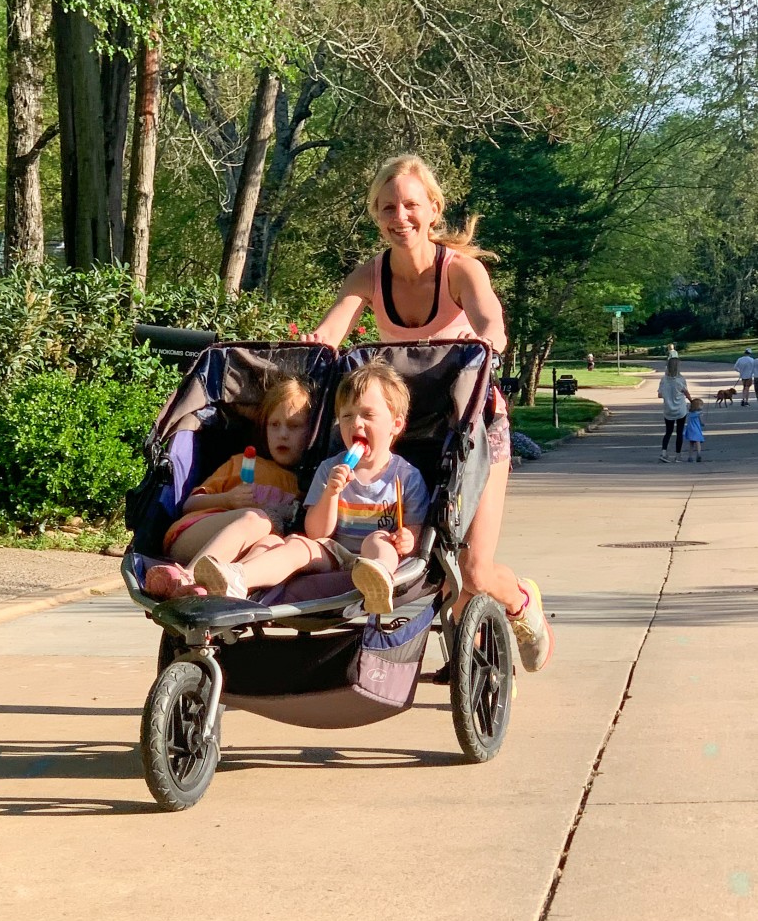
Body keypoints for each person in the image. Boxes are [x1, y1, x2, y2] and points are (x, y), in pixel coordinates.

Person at [299, 152, 553, 674]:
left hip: (474, 428)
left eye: (411, 205)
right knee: (428, 559)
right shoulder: (369, 277)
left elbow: (490, 323)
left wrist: (489, 340)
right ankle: (449, 639)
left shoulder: (460, 271)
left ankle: (523, 604)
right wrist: (314, 344)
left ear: (433, 209)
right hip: (410, 432)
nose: (400, 217)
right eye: (388, 207)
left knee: (474, 572)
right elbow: (332, 331)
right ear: (376, 213)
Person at [194, 361, 429, 615]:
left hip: (376, 557)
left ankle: (378, 583)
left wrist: (407, 541)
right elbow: (317, 532)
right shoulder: (330, 469)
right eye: (347, 416)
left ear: (396, 425)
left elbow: (413, 535)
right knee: (298, 545)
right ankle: (238, 577)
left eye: (368, 415)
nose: (356, 424)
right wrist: (331, 493)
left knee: (378, 539)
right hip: (334, 552)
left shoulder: (406, 477)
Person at [144, 376, 312, 598]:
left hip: (238, 557)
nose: (282, 434)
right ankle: (189, 577)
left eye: (294, 426)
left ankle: (221, 589)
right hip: (193, 536)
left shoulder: (306, 486)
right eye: (274, 424)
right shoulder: (241, 463)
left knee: (271, 542)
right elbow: (189, 505)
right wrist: (227, 500)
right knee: (257, 520)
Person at [657, 357, 691, 463]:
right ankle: (678, 456)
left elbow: (659, 394)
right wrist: (692, 400)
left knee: (668, 431)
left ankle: (664, 453)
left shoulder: (663, 380)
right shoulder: (681, 380)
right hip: (680, 409)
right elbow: (686, 393)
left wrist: (668, 395)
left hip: (668, 409)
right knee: (679, 432)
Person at [683, 397, 705, 462]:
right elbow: (702, 422)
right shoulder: (699, 414)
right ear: (698, 406)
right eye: (701, 405)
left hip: (690, 429)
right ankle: (698, 454)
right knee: (698, 442)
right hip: (696, 429)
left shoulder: (690, 414)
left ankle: (690, 456)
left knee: (691, 444)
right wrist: (703, 424)